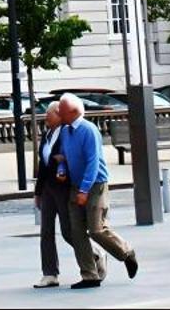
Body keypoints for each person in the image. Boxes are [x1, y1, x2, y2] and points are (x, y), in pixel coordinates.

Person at [55, 93, 139, 288]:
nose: (59, 112)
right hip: (76, 185)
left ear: (73, 112)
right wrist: (62, 168)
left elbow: (93, 163)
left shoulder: (89, 130)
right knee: (77, 233)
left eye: (62, 109)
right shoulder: (65, 131)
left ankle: (126, 252)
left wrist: (84, 190)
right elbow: (64, 157)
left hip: (95, 185)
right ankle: (89, 275)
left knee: (96, 229)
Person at [33, 102, 75, 288]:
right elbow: (43, 165)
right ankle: (50, 273)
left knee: (67, 230)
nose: (45, 117)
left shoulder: (67, 131)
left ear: (59, 114)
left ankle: (94, 253)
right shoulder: (47, 133)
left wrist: (61, 159)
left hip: (63, 187)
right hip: (48, 188)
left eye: (48, 114)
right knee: (46, 231)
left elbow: (69, 156)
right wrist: (38, 192)